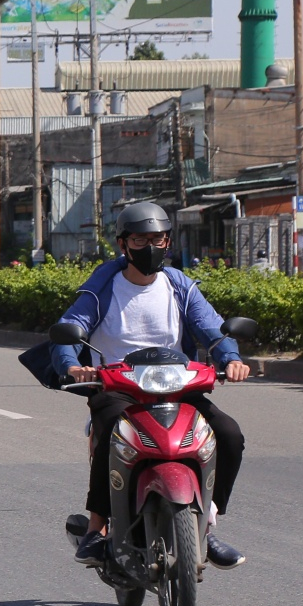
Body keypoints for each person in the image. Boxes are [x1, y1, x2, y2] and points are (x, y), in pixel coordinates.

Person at [50, 202, 248, 570]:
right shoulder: (102, 287)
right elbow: (69, 330)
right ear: (123, 244)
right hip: (118, 386)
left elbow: (211, 328)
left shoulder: (179, 286)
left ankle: (206, 523)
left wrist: (231, 358)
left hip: (176, 384)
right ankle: (96, 529)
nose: (150, 247)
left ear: (168, 242)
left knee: (228, 433)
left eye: (158, 239)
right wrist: (73, 366)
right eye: (140, 240)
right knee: (111, 431)